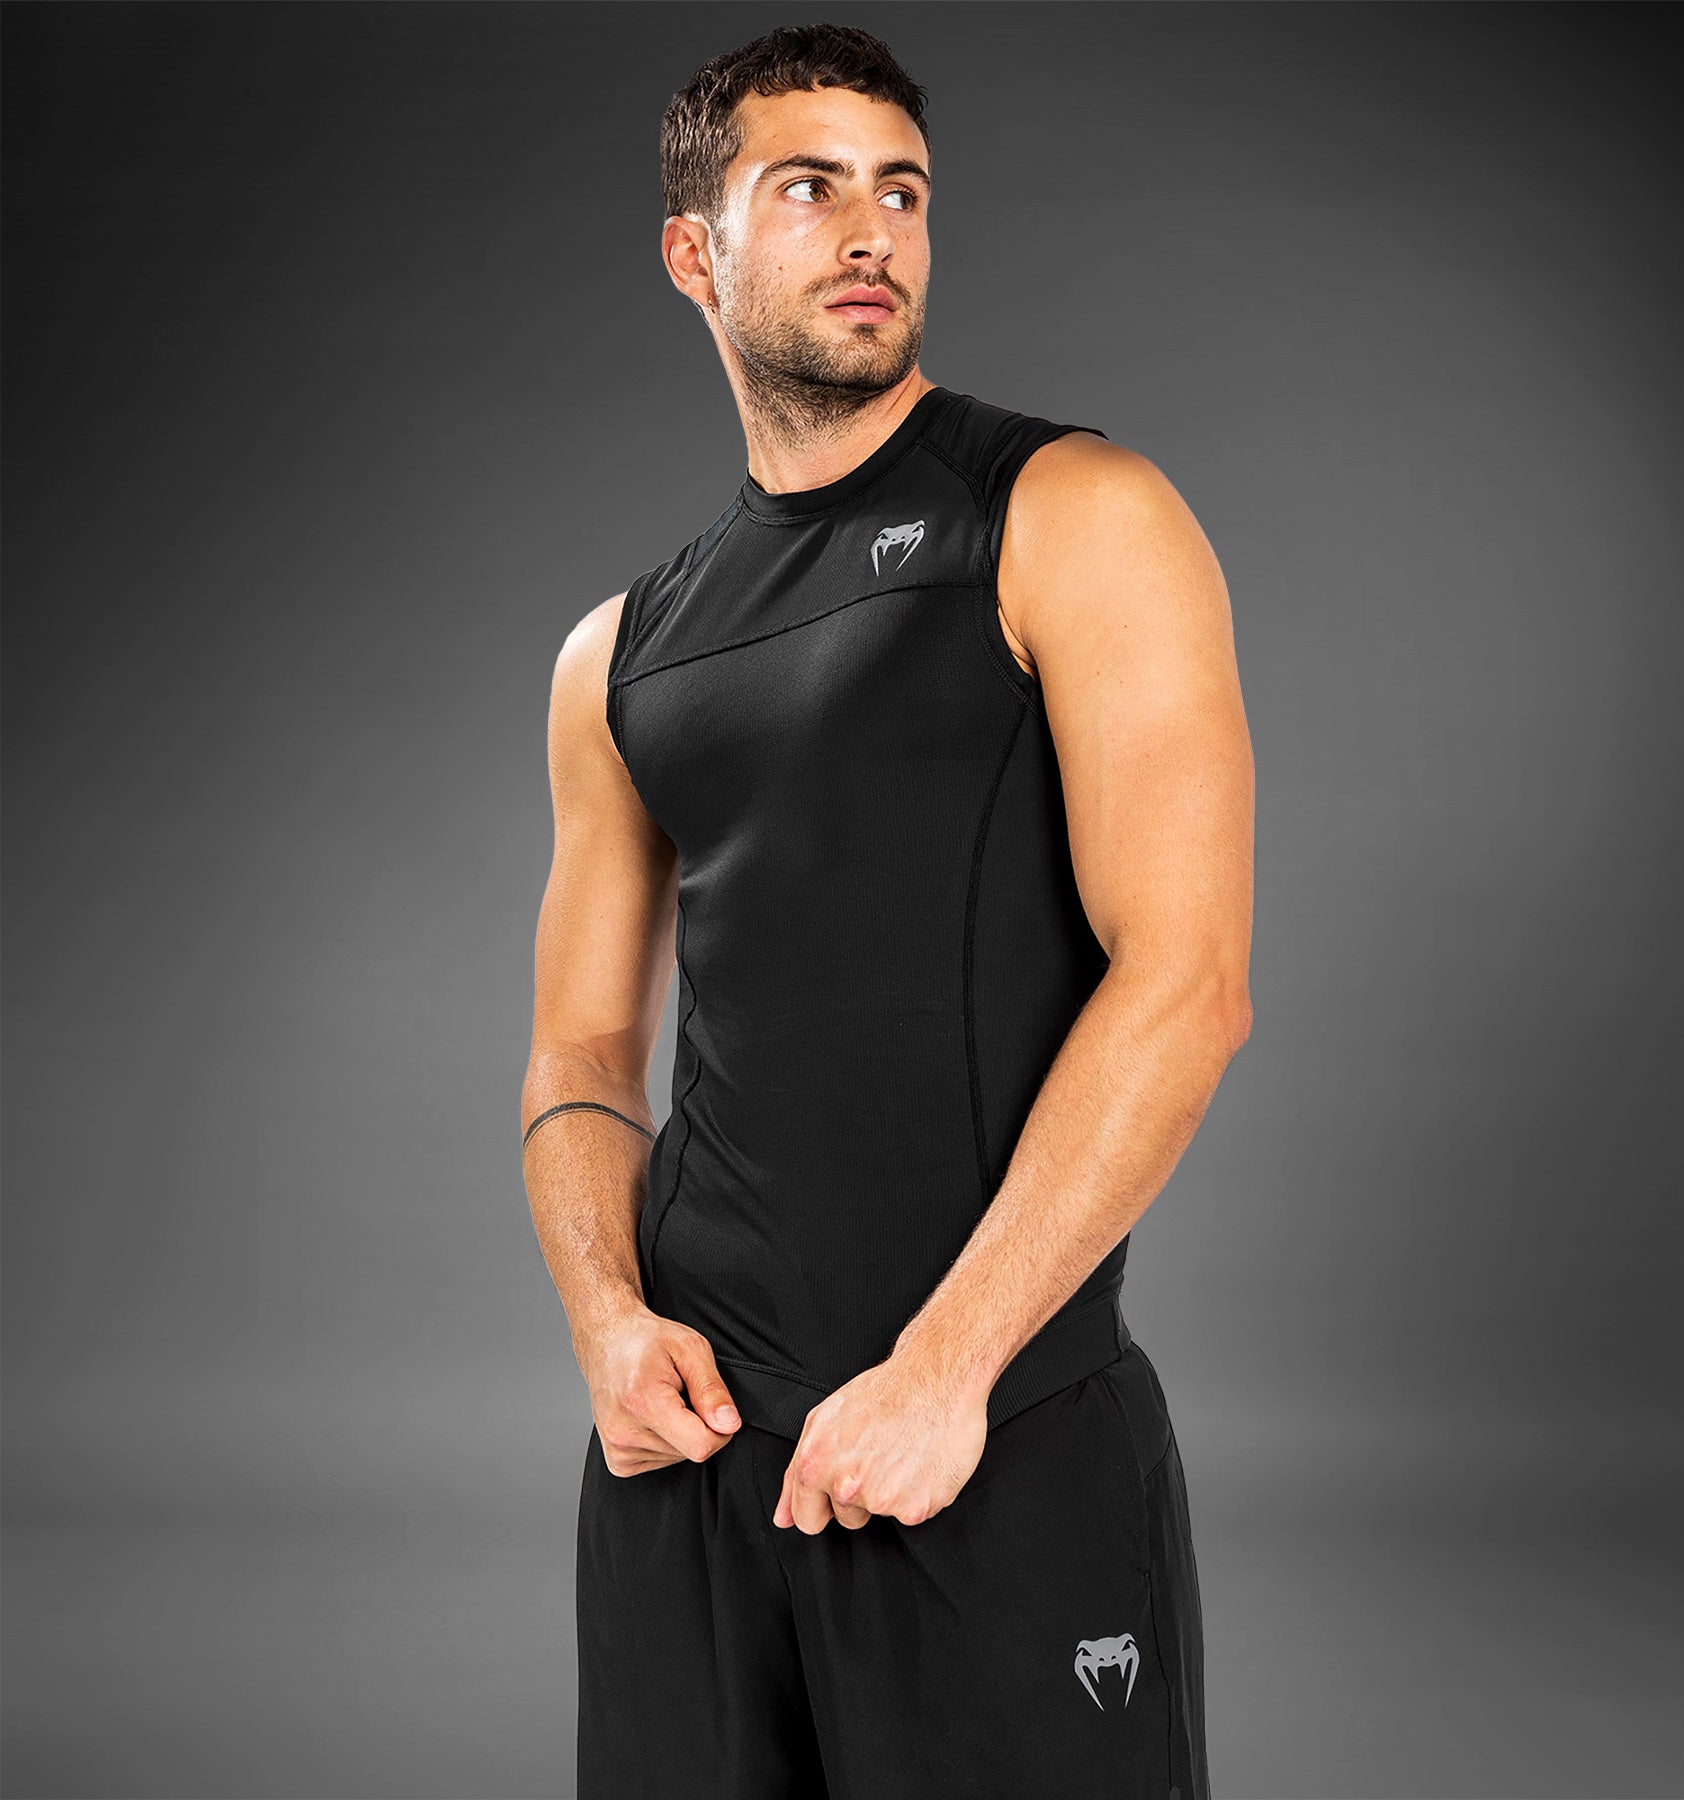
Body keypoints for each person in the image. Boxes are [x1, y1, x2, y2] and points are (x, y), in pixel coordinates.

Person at [520, 22, 1254, 1799]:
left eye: (902, 191)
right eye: (809, 187)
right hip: (692, 1469)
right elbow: (584, 1049)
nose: (873, 231)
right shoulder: (620, 653)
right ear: (695, 252)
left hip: (986, 1437)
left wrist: (945, 1372)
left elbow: (1186, 982)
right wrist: (607, 1323)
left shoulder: (1072, 516)